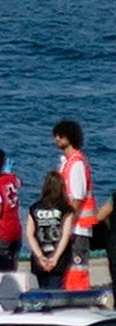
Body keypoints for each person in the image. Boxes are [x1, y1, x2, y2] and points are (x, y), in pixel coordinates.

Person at [53, 119, 97, 289]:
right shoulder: (67, 163)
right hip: (71, 227)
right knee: (69, 272)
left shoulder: (77, 164)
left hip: (78, 228)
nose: (56, 139)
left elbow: (76, 200)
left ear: (69, 137)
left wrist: (66, 223)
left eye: (60, 136)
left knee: (77, 271)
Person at [25, 171, 74, 289]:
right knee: (55, 289)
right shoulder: (66, 209)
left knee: (43, 291)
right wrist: (55, 258)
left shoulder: (34, 208)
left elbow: (29, 234)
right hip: (59, 258)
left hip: (40, 256)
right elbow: (65, 235)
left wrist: (40, 256)